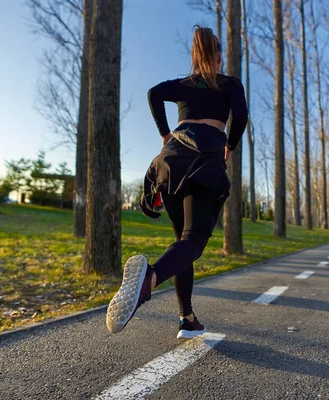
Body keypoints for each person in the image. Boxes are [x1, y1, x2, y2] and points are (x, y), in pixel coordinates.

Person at [106, 25, 248, 340]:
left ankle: (187, 319)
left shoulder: (184, 84)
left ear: (194, 57)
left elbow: (154, 93)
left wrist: (165, 135)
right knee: (193, 242)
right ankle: (149, 280)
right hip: (204, 160)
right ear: (219, 56)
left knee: (182, 243)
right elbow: (240, 116)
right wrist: (229, 147)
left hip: (169, 163)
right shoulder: (229, 83)